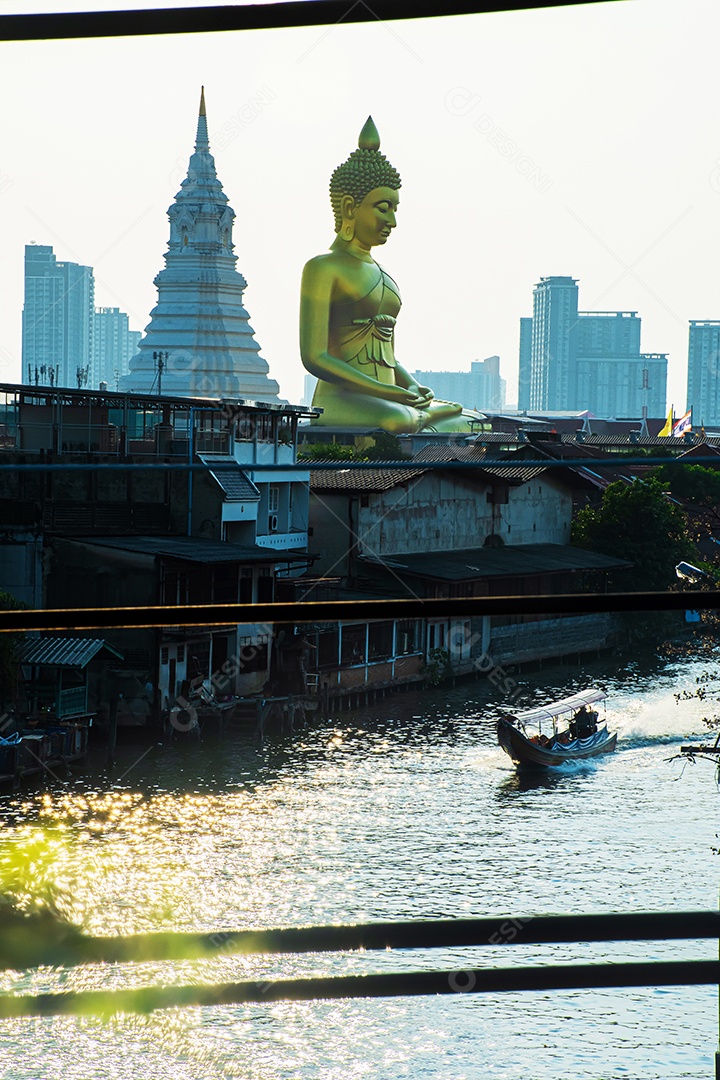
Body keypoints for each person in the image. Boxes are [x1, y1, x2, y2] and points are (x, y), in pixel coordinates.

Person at [300, 117, 484, 434]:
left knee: (475, 423)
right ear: (348, 207)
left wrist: (412, 386)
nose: (392, 220)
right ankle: (419, 417)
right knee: (397, 421)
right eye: (383, 207)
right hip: (343, 399)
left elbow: (388, 356)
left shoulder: (383, 274)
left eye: (395, 208)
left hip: (391, 398)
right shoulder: (322, 267)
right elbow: (315, 357)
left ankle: (422, 415)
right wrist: (387, 393)